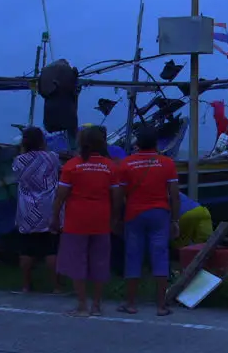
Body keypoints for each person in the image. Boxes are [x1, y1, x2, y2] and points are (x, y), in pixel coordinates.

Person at [51, 126, 122, 317]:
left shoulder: (72, 165)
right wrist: (115, 219)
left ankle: (82, 305)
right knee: (99, 261)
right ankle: (97, 305)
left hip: (76, 221)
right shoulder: (110, 166)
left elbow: (60, 196)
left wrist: (55, 217)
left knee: (77, 261)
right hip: (101, 219)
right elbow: (117, 197)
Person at [117, 125, 180, 316]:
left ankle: (130, 303)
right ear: (156, 143)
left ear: (137, 143)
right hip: (160, 213)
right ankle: (161, 306)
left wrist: (117, 218)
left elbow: (120, 196)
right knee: (160, 256)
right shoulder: (167, 163)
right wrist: (175, 219)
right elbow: (174, 196)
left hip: (134, 214)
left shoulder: (126, 164)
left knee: (133, 256)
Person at [13, 126, 62, 293]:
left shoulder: (18, 161)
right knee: (51, 248)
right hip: (48, 207)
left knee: (27, 249)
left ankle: (26, 286)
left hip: (27, 208)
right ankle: (56, 287)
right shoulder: (52, 158)